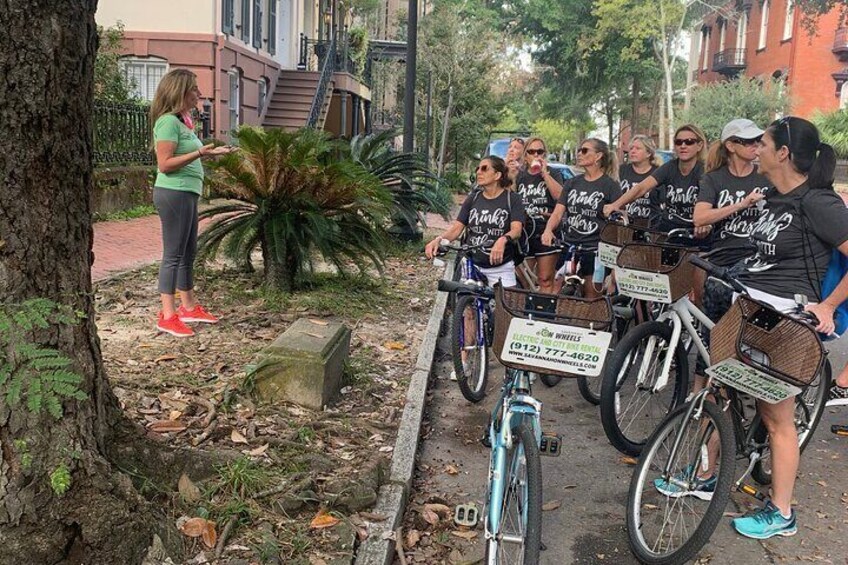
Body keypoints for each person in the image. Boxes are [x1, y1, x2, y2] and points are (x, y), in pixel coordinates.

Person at [729, 117, 848, 538]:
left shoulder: (818, 202)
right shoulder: (774, 198)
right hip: (748, 309)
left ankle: (781, 512)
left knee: (776, 417)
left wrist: (830, 306)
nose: (753, 149)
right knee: (718, 387)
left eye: (761, 143)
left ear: (782, 153)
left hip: (785, 320)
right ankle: (706, 475)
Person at [150, 69, 234, 337]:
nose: (199, 94)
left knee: (188, 252)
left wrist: (211, 153)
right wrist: (199, 152)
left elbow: (188, 156)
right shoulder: (167, 123)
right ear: (180, 92)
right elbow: (164, 165)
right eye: (194, 89)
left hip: (187, 192)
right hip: (173, 193)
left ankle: (188, 307)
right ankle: (167, 315)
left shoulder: (182, 121)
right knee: (173, 254)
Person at [694, 118, 770, 318]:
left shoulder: (766, 176)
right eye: (749, 141)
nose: (756, 145)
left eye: (758, 140)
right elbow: (700, 217)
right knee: (716, 329)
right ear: (731, 145)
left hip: (756, 259)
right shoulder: (714, 178)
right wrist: (741, 204)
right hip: (723, 259)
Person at [425, 156, 525, 287]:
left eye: (484, 169)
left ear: (497, 175)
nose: (479, 172)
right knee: (466, 301)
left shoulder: (513, 199)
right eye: (478, 168)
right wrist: (438, 239)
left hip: (501, 267)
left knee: (504, 305)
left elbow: (517, 230)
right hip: (472, 263)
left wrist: (503, 240)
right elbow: (456, 229)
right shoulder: (473, 198)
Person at [541, 139, 621, 298]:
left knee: (591, 298)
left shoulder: (610, 185)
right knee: (557, 292)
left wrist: (614, 268)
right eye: (579, 150)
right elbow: (558, 213)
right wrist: (548, 230)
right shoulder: (572, 183)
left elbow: (618, 224)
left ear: (598, 156)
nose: (579, 153)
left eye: (584, 151)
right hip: (570, 247)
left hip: (595, 250)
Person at [604, 124, 709, 244]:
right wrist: (615, 205)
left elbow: (711, 199)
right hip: (667, 231)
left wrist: (707, 222)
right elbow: (642, 187)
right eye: (678, 142)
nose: (683, 146)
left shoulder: (705, 171)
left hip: (694, 232)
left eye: (689, 142)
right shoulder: (669, 167)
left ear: (699, 145)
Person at [514, 137, 565, 293]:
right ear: (525, 155)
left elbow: (560, 196)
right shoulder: (520, 176)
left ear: (544, 154)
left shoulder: (553, 173)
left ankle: (543, 313)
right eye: (531, 151)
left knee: (545, 278)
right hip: (525, 230)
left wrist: (544, 174)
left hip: (546, 228)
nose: (536, 155)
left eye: (540, 151)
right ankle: (527, 310)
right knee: (522, 277)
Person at [619, 135, 662, 226]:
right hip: (624, 224)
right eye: (631, 148)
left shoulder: (659, 173)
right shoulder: (621, 170)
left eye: (638, 148)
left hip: (650, 225)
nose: (633, 151)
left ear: (648, 153)